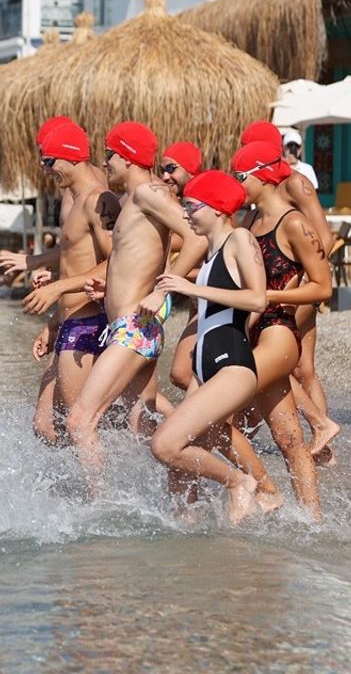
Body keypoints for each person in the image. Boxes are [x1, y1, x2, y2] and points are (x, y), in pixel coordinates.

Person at [64, 121, 208, 497]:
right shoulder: (134, 199)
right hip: (128, 326)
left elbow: (196, 236)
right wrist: (105, 286)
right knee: (142, 427)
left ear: (125, 155)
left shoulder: (148, 192)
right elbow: (138, 256)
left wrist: (165, 288)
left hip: (135, 327)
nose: (104, 162)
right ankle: (189, 496)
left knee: (80, 421)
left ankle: (99, 508)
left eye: (108, 154)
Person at [150, 171, 268, 524]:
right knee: (179, 470)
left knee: (164, 445)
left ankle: (239, 482)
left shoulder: (240, 239)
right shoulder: (212, 252)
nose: (185, 214)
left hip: (232, 365)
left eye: (191, 205)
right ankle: (191, 538)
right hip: (207, 368)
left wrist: (191, 290)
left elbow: (257, 298)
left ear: (217, 208)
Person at [225, 141, 332, 517]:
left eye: (241, 177)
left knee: (219, 416)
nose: (237, 185)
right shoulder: (249, 223)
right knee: (288, 437)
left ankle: (265, 490)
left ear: (263, 176)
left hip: (279, 333)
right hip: (252, 333)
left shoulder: (294, 224)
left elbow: (322, 286)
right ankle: (313, 520)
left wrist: (265, 296)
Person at [0, 119, 116, 447]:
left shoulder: (97, 198)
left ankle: (101, 496)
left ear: (70, 157)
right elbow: (75, 252)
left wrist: (57, 287)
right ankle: (71, 494)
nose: (45, 170)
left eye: (48, 161)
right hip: (70, 319)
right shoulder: (74, 195)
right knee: (51, 425)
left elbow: (117, 263)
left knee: (79, 425)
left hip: (90, 320)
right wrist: (53, 320)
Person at [241, 121, 339, 465]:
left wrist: (298, 276)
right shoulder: (255, 206)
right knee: (286, 363)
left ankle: (321, 439)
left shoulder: (295, 183)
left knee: (299, 366)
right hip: (277, 279)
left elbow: (323, 235)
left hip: (297, 279)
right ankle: (313, 431)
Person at [161, 141, 207, 394]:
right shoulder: (185, 206)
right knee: (182, 375)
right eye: (162, 169)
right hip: (196, 304)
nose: (165, 176)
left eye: (171, 169)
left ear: (190, 170)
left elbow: (218, 262)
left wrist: (172, 277)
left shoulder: (207, 204)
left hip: (217, 304)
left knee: (188, 374)